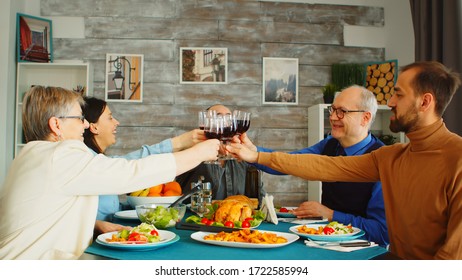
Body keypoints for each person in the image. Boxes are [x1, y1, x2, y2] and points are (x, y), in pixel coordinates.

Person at [227, 61, 462, 260]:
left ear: (425, 102)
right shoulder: (391, 156)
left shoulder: (457, 158)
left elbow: (452, 259)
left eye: (398, 94)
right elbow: (325, 165)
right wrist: (256, 155)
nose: (390, 101)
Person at [0, 86, 219, 260]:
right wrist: (198, 154)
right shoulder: (61, 154)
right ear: (56, 124)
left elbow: (48, 211)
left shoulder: (31, 156)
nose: (85, 125)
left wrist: (94, 224)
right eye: (79, 118)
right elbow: (130, 173)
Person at [240, 85, 388, 246]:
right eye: (332, 110)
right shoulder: (329, 145)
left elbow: (382, 232)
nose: (332, 117)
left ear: (365, 118)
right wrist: (253, 152)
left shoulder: (383, 162)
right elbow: (291, 162)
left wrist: (331, 215)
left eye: (342, 111)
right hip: (325, 244)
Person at [82, 97, 206, 235]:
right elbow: (132, 164)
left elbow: (107, 208)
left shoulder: (99, 159)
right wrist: (180, 143)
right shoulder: (89, 162)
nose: (117, 122)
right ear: (93, 127)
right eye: (110, 118)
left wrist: (142, 205)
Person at [175, 104, 265, 203]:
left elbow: (259, 197)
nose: (224, 120)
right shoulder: (191, 153)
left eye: (228, 117)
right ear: (206, 123)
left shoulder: (244, 157)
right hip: (196, 216)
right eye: (217, 117)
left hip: (237, 216)